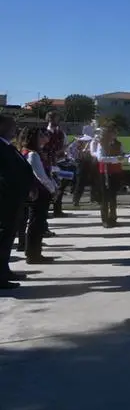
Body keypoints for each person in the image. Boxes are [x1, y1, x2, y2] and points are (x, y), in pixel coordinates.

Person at [0, 115, 33, 288]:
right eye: (11, 126)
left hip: (15, 199)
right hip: (5, 200)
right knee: (3, 237)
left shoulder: (8, 146)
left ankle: (4, 270)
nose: (15, 129)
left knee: (8, 237)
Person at [19, 127, 56, 264]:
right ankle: (33, 254)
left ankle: (34, 252)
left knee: (36, 223)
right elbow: (41, 176)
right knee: (36, 223)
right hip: (39, 192)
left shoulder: (29, 152)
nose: (43, 137)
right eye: (40, 135)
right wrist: (53, 189)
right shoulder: (33, 154)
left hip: (37, 191)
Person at [96, 125, 127, 228]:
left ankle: (113, 218)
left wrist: (122, 157)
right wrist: (115, 159)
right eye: (113, 132)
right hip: (104, 172)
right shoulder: (101, 144)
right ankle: (105, 219)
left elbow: (122, 156)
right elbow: (100, 158)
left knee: (113, 197)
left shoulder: (119, 144)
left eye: (115, 133)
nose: (114, 135)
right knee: (105, 197)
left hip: (115, 172)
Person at [44, 111, 67, 218]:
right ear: (50, 119)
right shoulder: (45, 132)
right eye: (56, 119)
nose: (58, 121)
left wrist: (65, 151)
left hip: (59, 162)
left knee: (60, 186)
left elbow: (64, 145)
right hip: (49, 163)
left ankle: (58, 209)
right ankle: (46, 210)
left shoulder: (60, 133)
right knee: (49, 186)